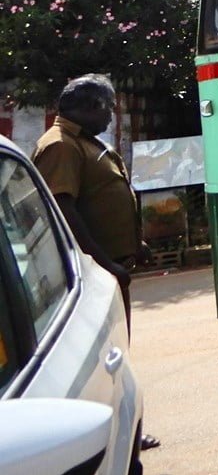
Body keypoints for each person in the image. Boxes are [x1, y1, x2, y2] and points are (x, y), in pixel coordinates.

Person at [32, 73, 160, 450]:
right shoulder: (61, 146)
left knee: (116, 355)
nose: (111, 116)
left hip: (108, 267)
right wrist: (105, 262)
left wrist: (133, 243)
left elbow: (98, 199)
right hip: (93, 274)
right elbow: (66, 211)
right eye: (108, 107)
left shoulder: (82, 142)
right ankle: (114, 440)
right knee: (107, 359)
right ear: (90, 107)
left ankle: (125, 433)